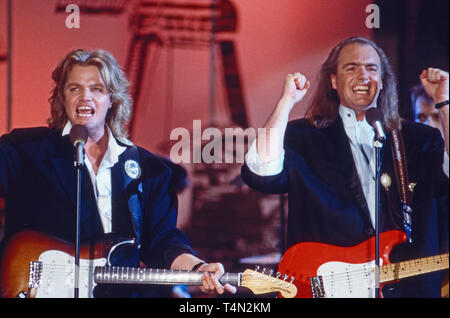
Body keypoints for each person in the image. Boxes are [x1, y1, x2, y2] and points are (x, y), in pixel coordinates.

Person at [0, 49, 236, 298]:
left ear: (112, 98)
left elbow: (164, 242)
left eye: (97, 89)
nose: (85, 97)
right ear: (61, 96)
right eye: (74, 88)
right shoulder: (24, 150)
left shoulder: (148, 169)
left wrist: (199, 269)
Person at [241, 36, 449, 297]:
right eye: (351, 68)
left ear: (383, 81)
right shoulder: (304, 137)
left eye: (372, 68)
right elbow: (261, 173)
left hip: (407, 290)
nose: (363, 75)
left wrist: (443, 103)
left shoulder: (417, 139)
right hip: (325, 286)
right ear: (333, 81)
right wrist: (286, 102)